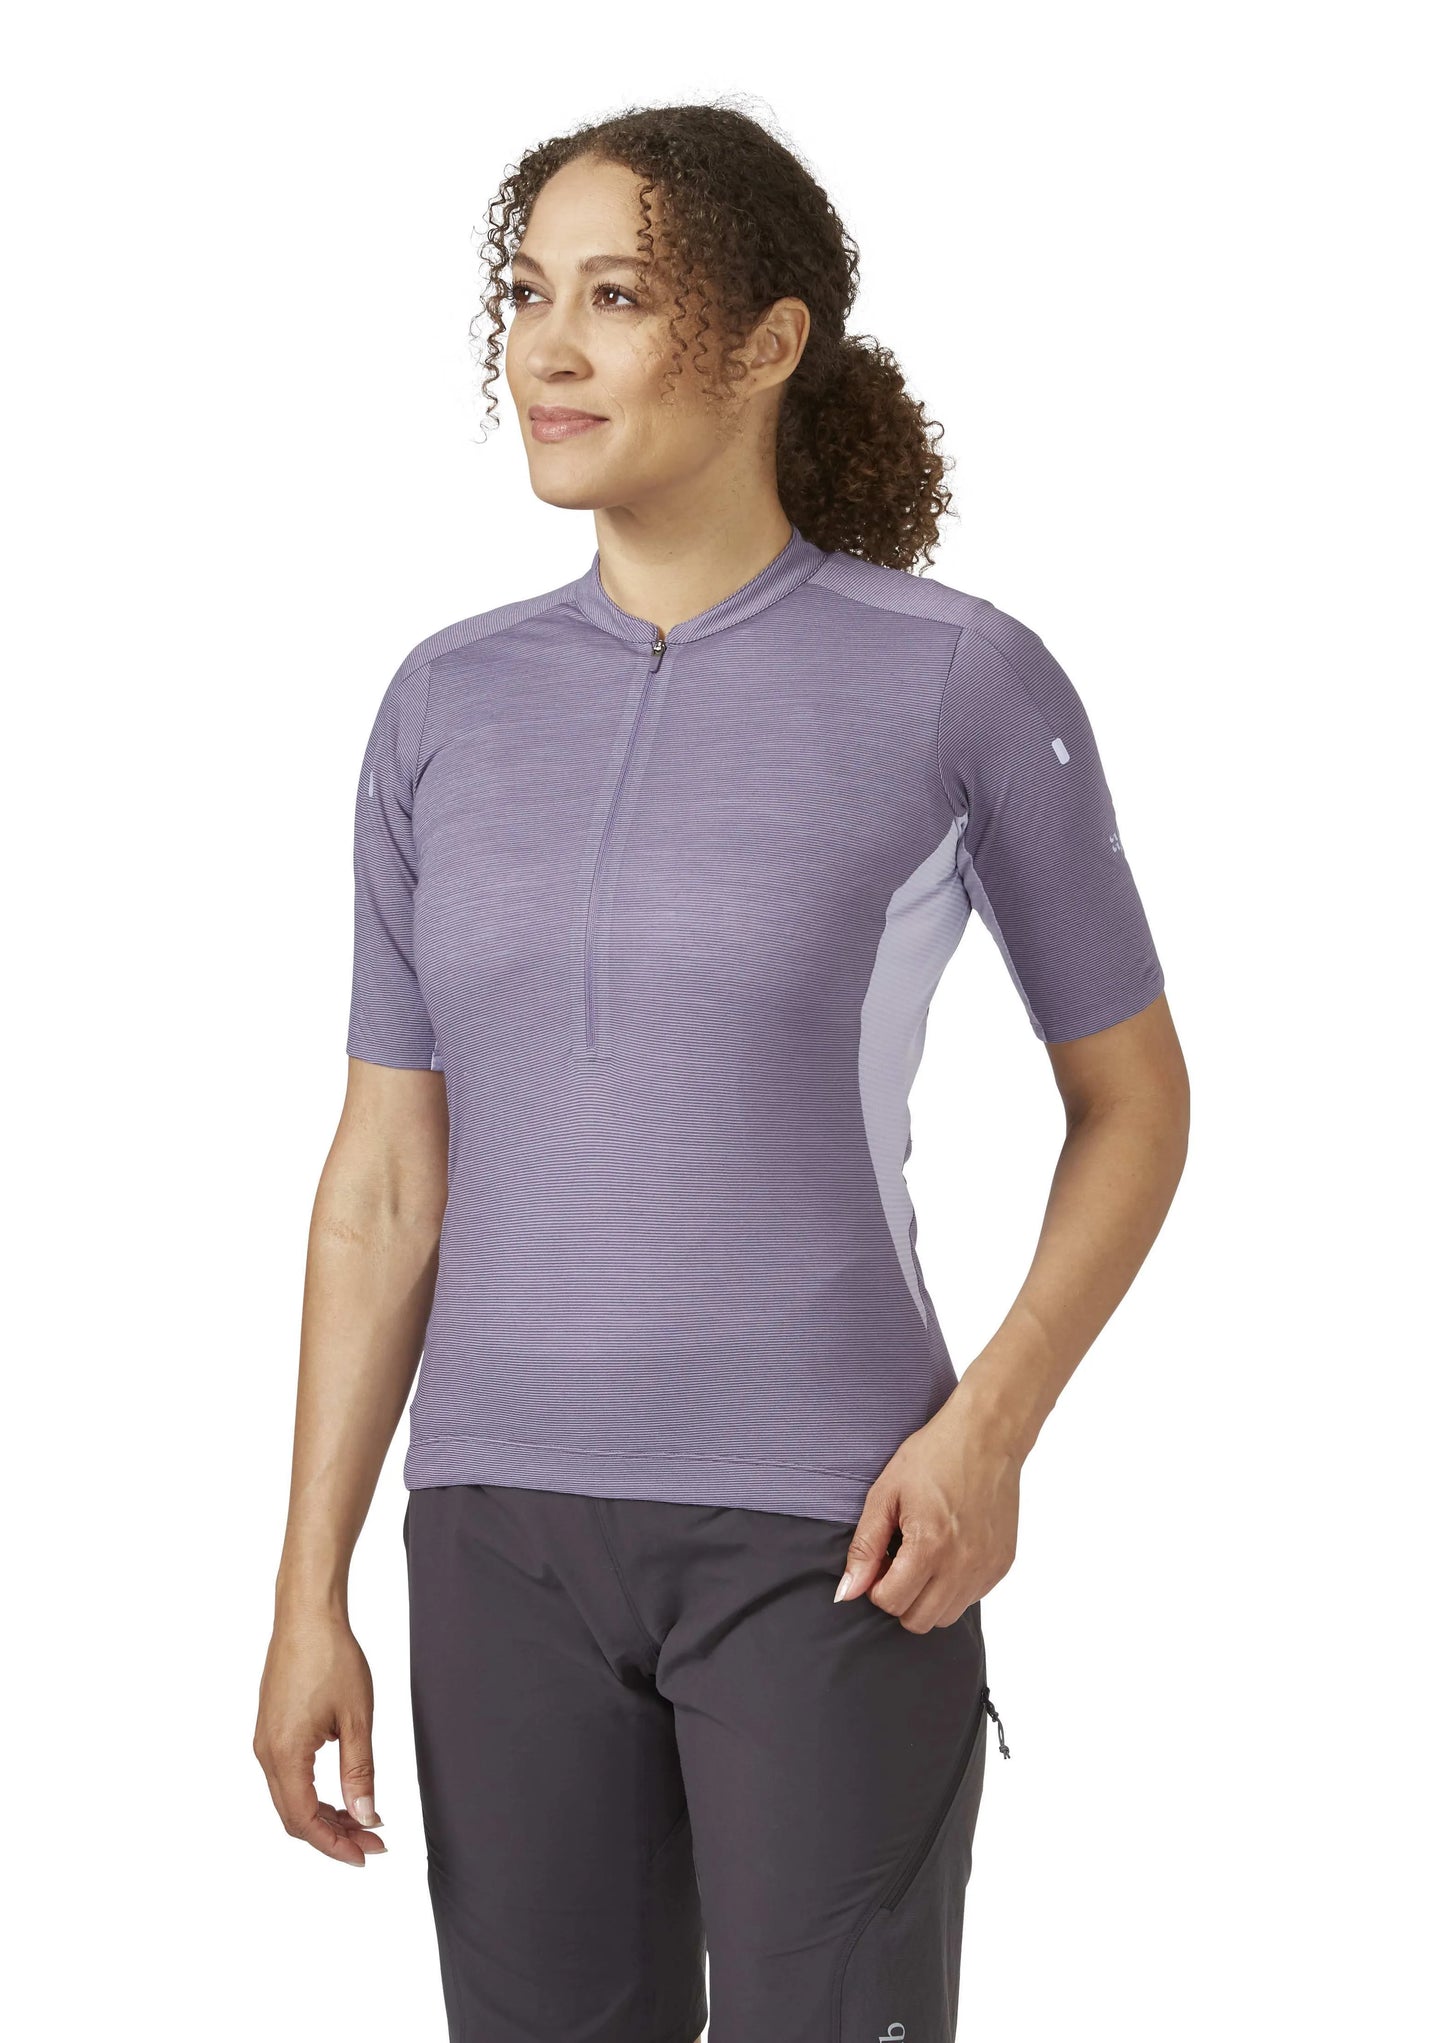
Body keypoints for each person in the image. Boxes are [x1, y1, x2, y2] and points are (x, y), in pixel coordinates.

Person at [254, 101, 1190, 2043]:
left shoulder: (955, 678)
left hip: (833, 1534)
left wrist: (991, 1431)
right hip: (496, 1532)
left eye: (617, 298)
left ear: (766, 343)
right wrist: (306, 1585)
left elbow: (1134, 1101)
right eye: (529, 294)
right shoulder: (443, 703)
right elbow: (386, 1177)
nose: (548, 348)